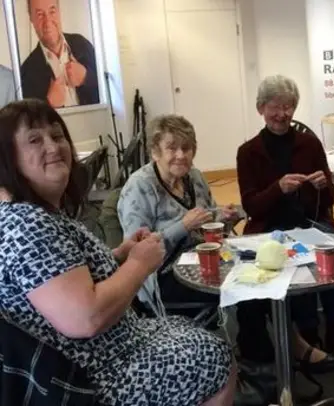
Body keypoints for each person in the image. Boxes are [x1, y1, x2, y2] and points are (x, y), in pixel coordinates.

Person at [0, 99, 235, 405]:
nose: (54, 147)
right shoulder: (27, 225)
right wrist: (137, 264)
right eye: (35, 139)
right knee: (217, 357)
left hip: (118, 343)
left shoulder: (41, 215)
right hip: (97, 374)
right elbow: (85, 317)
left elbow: (67, 277)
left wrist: (122, 253)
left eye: (57, 136)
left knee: (208, 329)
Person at [235, 74, 334, 370]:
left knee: (332, 256)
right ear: (261, 108)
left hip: (310, 222)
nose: (282, 114)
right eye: (275, 106)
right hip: (268, 228)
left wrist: (325, 186)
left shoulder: (309, 144)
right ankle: (307, 339)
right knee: (292, 260)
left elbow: (328, 202)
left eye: (288, 107)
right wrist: (278, 188)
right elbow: (251, 207)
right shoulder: (248, 152)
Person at [118, 114, 240, 316]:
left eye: (187, 148)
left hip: (205, 262)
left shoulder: (195, 177)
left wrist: (224, 220)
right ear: (156, 152)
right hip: (163, 275)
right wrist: (182, 226)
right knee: (240, 289)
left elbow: (208, 221)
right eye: (172, 148)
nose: (181, 155)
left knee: (251, 276)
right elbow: (136, 251)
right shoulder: (139, 187)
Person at [21, 0, 99, 107]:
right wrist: (49, 104)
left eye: (52, 12)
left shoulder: (82, 45)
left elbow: (110, 90)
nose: (47, 21)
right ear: (31, 19)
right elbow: (29, 121)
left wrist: (86, 78)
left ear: (59, 12)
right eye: (40, 15)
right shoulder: (26, 72)